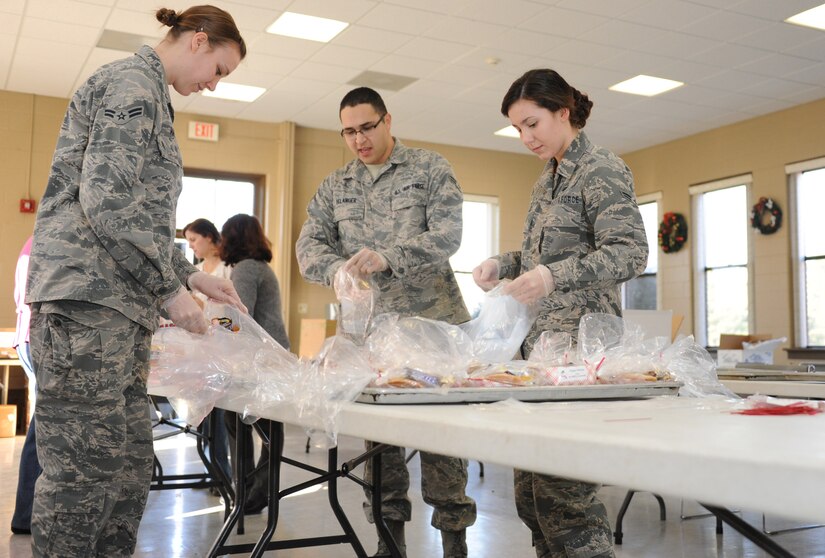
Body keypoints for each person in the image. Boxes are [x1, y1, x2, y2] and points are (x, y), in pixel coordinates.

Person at [24, 6, 247, 557]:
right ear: (198, 41)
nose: (214, 85)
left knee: (124, 470)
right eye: (218, 69)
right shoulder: (132, 87)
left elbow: (138, 218)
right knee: (83, 477)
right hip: (87, 307)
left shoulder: (150, 94)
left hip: (117, 311)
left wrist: (192, 275)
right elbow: (106, 202)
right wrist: (174, 294)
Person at [473, 68, 649, 558]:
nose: (525, 137)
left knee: (564, 498)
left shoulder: (602, 170)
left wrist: (554, 277)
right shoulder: (546, 178)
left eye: (532, 123)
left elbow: (632, 253)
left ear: (563, 112)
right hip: (541, 353)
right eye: (518, 129)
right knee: (531, 498)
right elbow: (538, 257)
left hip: (581, 353)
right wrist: (503, 264)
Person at [296, 86, 476, 558]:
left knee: (441, 442)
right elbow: (308, 250)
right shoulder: (336, 186)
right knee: (380, 447)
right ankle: (388, 543)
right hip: (370, 335)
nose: (359, 139)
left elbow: (449, 235)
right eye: (349, 131)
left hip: (432, 328)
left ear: (387, 120)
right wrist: (339, 269)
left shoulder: (429, 168)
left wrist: (388, 257)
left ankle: (453, 543)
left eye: (367, 127)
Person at [219, 214, 290, 514]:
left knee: (238, 421)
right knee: (266, 425)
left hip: (259, 359)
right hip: (270, 354)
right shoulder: (258, 266)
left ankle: (251, 491)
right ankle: (256, 490)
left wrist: (210, 321)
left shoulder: (246, 269)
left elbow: (237, 318)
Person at [183, 218, 232, 485]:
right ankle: (210, 470)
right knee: (203, 415)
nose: (191, 246)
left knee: (220, 415)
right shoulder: (195, 270)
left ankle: (222, 474)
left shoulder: (228, 268)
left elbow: (230, 312)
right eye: (188, 241)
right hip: (199, 350)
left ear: (210, 237)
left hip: (223, 350)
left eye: (194, 239)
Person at [11, 236, 42, 536]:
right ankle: (27, 514)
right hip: (40, 338)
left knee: (42, 424)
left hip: (27, 337)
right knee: (44, 425)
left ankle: (27, 513)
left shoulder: (32, 241)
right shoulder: (50, 238)